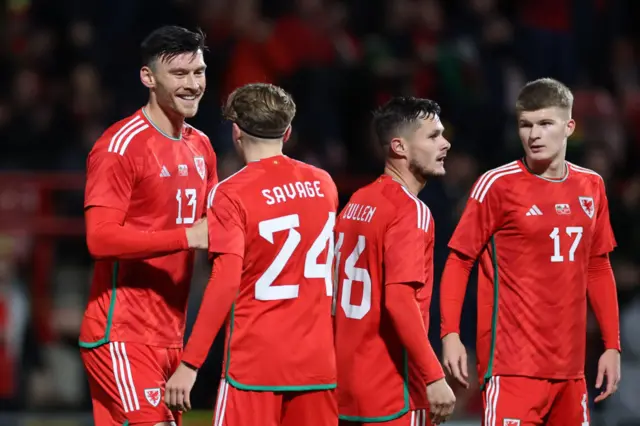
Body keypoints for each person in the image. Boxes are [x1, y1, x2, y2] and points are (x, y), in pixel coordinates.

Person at [440, 78, 621, 426]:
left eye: (545, 123)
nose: (533, 134)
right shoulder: (497, 185)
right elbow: (460, 261)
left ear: (569, 127)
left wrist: (611, 345)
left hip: (571, 371)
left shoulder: (591, 186)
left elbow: (598, 268)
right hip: (512, 369)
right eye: (525, 124)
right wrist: (450, 335)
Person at [164, 83, 339, 426]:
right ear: (287, 132)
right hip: (317, 363)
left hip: (255, 365)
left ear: (236, 133)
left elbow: (224, 282)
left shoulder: (229, 194)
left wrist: (190, 363)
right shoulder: (324, 184)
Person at [80, 25, 217, 426]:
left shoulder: (201, 146)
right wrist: (187, 237)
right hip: (122, 331)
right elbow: (99, 238)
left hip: (172, 332)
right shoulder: (119, 147)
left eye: (199, 72)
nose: (193, 85)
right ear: (148, 77)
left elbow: (216, 226)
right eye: (179, 74)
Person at [333, 97, 456, 426]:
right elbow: (400, 301)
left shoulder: (356, 202)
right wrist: (433, 377)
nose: (445, 144)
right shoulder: (409, 211)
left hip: (345, 387)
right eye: (432, 136)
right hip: (392, 389)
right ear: (400, 147)